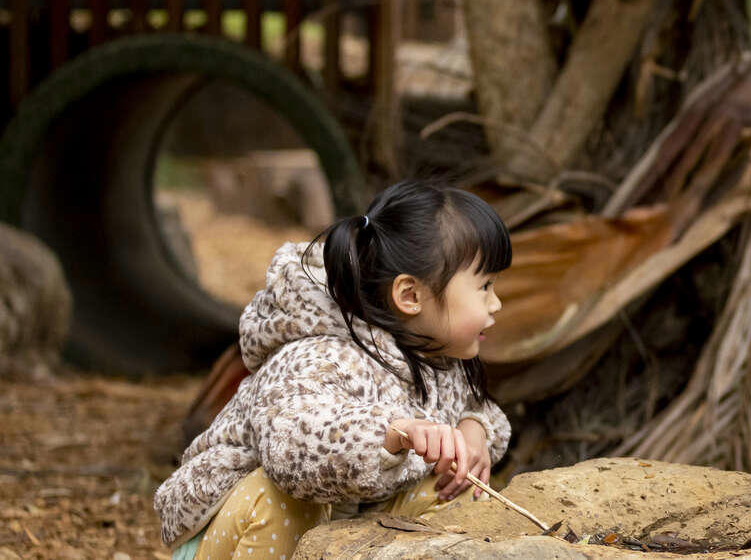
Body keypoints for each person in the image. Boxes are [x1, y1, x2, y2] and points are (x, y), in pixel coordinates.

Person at [155, 180, 514, 559]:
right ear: (410, 296)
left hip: (332, 529)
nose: (497, 304)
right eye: (485, 286)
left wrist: (473, 432)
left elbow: (477, 407)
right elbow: (293, 454)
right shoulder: (319, 356)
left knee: (450, 486)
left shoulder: (435, 355)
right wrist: (392, 432)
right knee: (281, 499)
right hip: (239, 533)